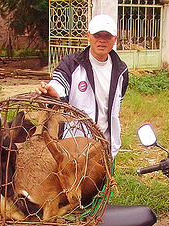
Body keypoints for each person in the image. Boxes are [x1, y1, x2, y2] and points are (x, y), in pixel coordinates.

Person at [35, 14, 128, 158]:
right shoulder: (72, 63)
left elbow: (116, 105)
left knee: (104, 180)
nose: (102, 40)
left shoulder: (121, 71)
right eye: (97, 35)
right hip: (74, 144)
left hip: (105, 144)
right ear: (88, 36)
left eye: (107, 36)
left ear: (115, 39)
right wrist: (52, 90)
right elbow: (59, 82)